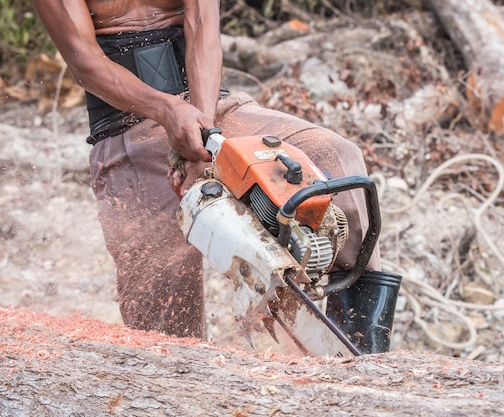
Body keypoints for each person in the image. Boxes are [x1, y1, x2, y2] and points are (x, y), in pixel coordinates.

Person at [32, 0, 400, 353]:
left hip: (211, 106)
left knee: (337, 157)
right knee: (161, 307)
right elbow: (84, 60)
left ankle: (361, 345)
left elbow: (201, 22)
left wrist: (201, 135)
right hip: (126, 128)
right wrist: (168, 110)